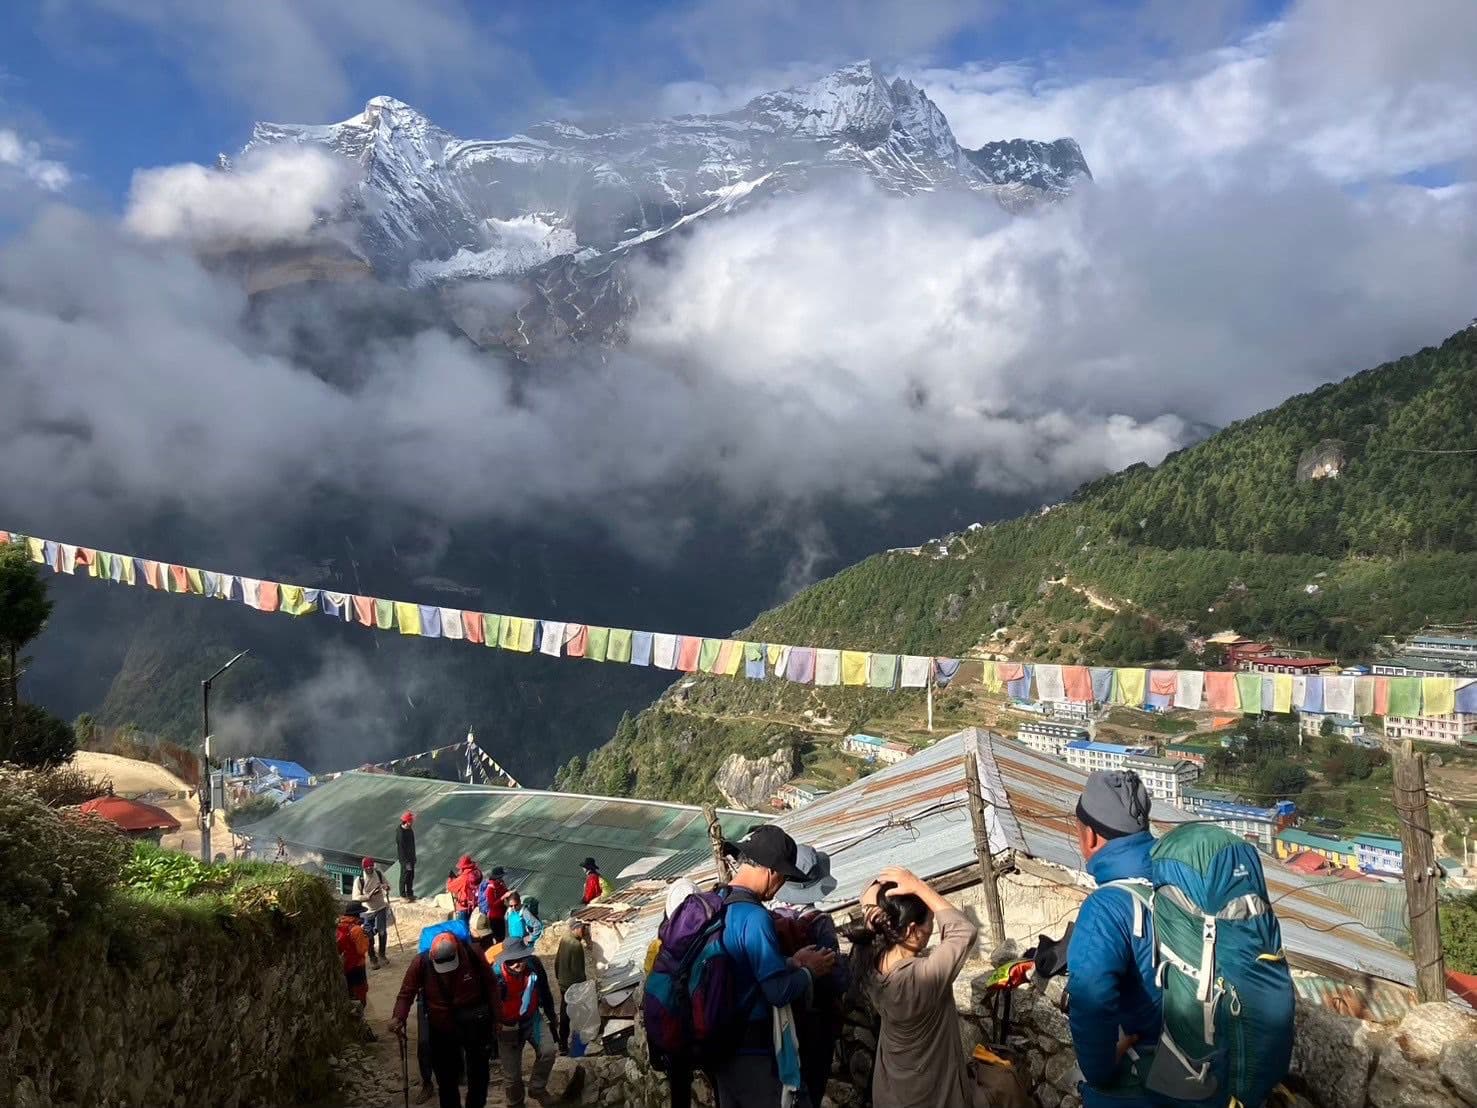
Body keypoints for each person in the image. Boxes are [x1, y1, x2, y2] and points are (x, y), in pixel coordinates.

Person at [713, 825, 837, 1107]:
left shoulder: (717, 903)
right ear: (771, 870)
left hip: (720, 1045)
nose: (781, 886)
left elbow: (742, 964)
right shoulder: (755, 918)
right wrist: (810, 971)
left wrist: (792, 961)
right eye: (783, 877)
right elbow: (777, 992)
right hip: (753, 1050)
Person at [1067, 770, 1166, 1108]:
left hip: (1145, 1085)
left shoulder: (1106, 908)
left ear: (1090, 837)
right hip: (1207, 1071)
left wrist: (1100, 1069)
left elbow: (1091, 1001)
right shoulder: (1175, 883)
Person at [852, 866, 981, 1108]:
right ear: (912, 929)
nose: (933, 930)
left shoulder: (868, 964)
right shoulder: (919, 979)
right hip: (930, 1095)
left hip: (892, 1089)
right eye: (930, 922)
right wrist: (917, 885)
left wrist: (876, 905)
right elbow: (963, 931)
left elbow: (867, 902)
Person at [391, 932, 500, 1108]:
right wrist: (398, 1017)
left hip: (474, 1022)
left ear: (457, 951)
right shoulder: (421, 962)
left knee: (479, 1074)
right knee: (446, 1078)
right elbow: (407, 993)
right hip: (441, 1026)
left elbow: (491, 984)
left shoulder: (473, 953)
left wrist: (497, 1018)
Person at [772, 845, 845, 1106]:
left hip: (780, 1020)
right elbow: (836, 979)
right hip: (815, 1022)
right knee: (812, 1089)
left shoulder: (769, 918)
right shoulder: (819, 922)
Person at [491, 938, 559, 1107]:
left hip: (532, 1018)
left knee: (548, 1051)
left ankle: (537, 1088)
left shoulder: (533, 965)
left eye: (521, 958)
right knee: (512, 1077)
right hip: (507, 1026)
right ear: (505, 959)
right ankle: (516, 1103)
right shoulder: (495, 977)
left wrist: (551, 1018)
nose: (518, 964)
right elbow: (486, 1007)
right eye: (512, 961)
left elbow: (545, 991)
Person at [555, 918, 589, 1053]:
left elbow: (557, 961)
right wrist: (584, 986)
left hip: (563, 983)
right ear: (575, 928)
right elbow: (578, 970)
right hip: (573, 985)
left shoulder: (564, 939)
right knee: (577, 1015)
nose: (584, 931)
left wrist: (558, 977)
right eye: (582, 928)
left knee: (564, 1013)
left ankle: (562, 1043)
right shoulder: (575, 945)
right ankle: (578, 1045)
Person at [353, 857, 392, 967]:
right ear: (363, 867)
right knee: (368, 935)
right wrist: (368, 896)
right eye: (367, 866)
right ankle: (372, 958)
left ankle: (382, 954)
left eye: (371, 866)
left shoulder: (378, 874)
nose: (369, 868)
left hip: (380, 907)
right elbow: (356, 897)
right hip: (367, 911)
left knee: (382, 932)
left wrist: (386, 887)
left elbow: (388, 885)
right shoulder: (360, 879)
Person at [336, 901, 372, 1010]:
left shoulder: (339, 926)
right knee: (360, 991)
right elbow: (362, 950)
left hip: (345, 964)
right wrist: (367, 937)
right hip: (357, 965)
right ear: (358, 914)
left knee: (349, 991)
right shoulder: (356, 929)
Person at [477, 865, 510, 943]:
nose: (502, 878)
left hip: (501, 915)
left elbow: (505, 892)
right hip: (494, 917)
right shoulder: (491, 888)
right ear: (497, 877)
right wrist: (503, 897)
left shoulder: (500, 884)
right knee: (499, 937)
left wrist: (506, 889)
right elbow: (492, 905)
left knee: (502, 936)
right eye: (501, 876)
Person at [448, 855, 483, 926]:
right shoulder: (477, 873)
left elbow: (450, 887)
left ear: (463, 867)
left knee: (462, 927)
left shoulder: (463, 878)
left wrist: (450, 879)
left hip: (463, 906)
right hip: (474, 903)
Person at [398, 811, 418, 900]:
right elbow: (402, 849)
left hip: (411, 858)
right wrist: (406, 861)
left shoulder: (410, 830)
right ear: (406, 821)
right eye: (411, 821)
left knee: (411, 875)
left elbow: (413, 844)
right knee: (404, 876)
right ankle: (402, 895)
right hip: (405, 859)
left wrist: (413, 857)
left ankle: (410, 893)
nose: (412, 822)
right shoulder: (400, 833)